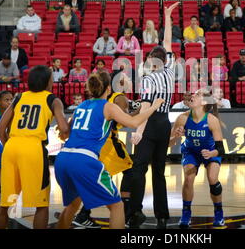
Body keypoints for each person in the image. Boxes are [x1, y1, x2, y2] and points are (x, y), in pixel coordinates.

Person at [54, 71, 164, 229]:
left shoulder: (81, 106)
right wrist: (154, 106)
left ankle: (82, 215)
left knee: (72, 205)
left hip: (63, 159)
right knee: (116, 206)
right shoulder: (108, 106)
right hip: (84, 160)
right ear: (108, 88)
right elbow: (133, 123)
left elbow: (64, 134)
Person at [124, 2, 179, 229]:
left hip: (150, 123)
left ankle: (135, 212)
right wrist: (167, 17)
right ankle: (162, 215)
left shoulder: (148, 79)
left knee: (138, 168)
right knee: (159, 171)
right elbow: (167, 42)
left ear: (150, 61)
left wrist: (138, 131)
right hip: (165, 123)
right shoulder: (170, 71)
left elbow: (146, 106)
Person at [0, 65, 69, 229]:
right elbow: (64, 129)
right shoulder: (52, 99)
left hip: (11, 147)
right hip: (33, 148)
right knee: (41, 204)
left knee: (6, 202)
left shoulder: (19, 97)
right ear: (48, 81)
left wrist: (9, 145)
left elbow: (0, 127)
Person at [72, 71, 140, 228]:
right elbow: (124, 120)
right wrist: (142, 109)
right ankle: (126, 213)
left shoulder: (96, 99)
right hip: (109, 143)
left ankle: (83, 214)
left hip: (94, 143)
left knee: (96, 178)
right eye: (125, 78)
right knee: (130, 171)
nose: (128, 80)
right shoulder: (119, 97)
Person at [169, 89, 225, 228]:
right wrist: (176, 136)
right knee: (188, 178)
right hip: (191, 152)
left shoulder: (212, 120)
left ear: (204, 102)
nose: (193, 95)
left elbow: (221, 149)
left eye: (197, 94)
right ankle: (186, 213)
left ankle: (218, 212)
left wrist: (212, 154)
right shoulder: (182, 118)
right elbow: (169, 143)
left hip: (210, 152)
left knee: (213, 179)